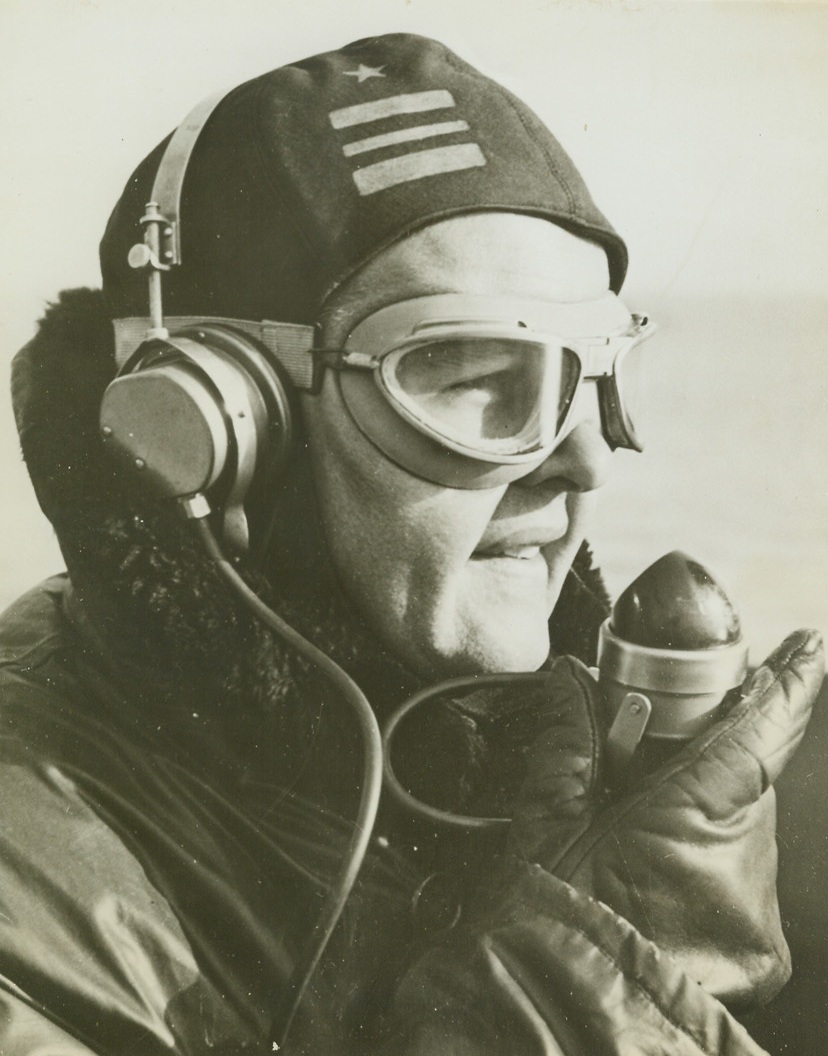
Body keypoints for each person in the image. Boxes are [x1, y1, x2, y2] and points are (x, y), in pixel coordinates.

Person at [1, 33, 824, 1056]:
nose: (582, 462)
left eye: (596, 376)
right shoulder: (25, 903)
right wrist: (592, 986)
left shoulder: (629, 774)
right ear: (215, 431)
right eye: (478, 371)